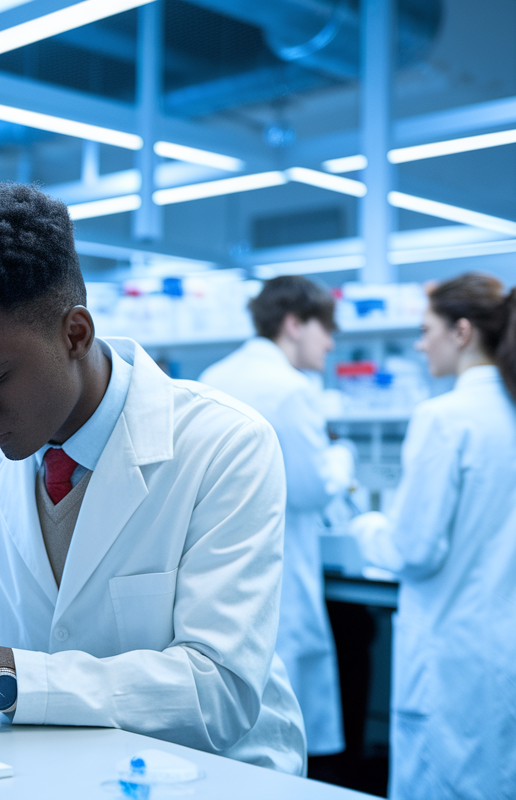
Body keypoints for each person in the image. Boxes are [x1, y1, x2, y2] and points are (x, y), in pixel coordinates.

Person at [0, 182, 307, 774]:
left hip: (209, 773)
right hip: (45, 766)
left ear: (75, 333)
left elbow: (219, 692)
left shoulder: (224, 443)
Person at [350, 272, 516, 799]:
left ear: (462, 331)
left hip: (465, 664)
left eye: (427, 329)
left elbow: (414, 550)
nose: (419, 343)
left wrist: (366, 527)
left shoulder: (444, 418)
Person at [198, 276, 353, 763]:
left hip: (213, 572)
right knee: (284, 723)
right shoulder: (292, 388)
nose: (330, 342)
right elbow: (312, 489)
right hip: (281, 575)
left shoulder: (215, 374)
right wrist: (342, 457)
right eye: (325, 328)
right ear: (293, 324)